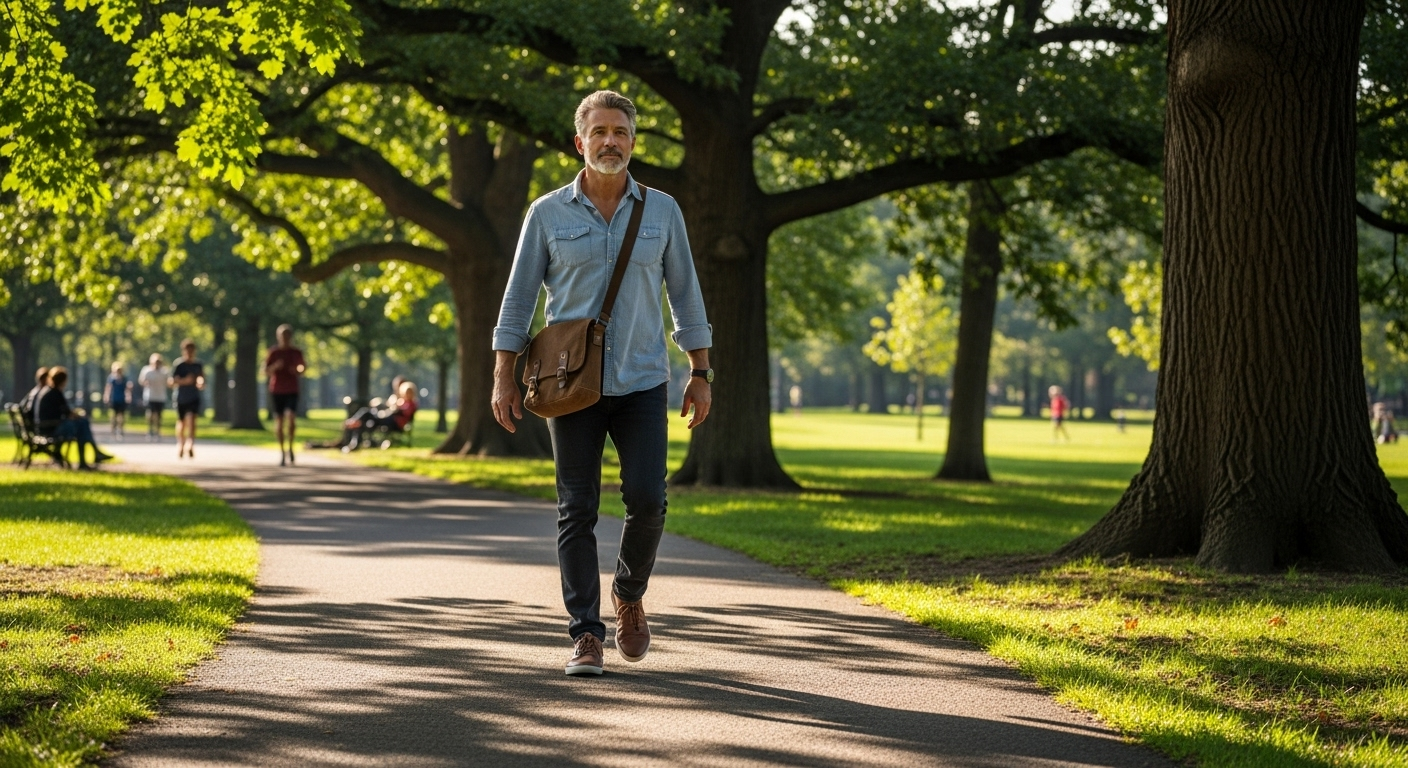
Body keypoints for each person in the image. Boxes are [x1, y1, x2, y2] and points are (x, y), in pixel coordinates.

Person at [492, 90, 713, 677]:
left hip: (642, 379)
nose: (610, 141)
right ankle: (585, 633)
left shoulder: (663, 211)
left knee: (648, 499)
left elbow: (686, 294)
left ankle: (629, 594)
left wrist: (700, 370)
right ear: (580, 142)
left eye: (620, 132)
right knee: (577, 507)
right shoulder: (547, 214)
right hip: (568, 384)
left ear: (633, 142)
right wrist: (502, 375)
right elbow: (517, 299)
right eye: (599, 132)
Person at [34, 367, 113, 469]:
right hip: (50, 428)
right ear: (63, 381)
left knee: (82, 424)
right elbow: (67, 413)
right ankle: (87, 458)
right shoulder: (55, 393)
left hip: (46, 427)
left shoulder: (49, 391)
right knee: (82, 424)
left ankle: (92, 455)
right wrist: (78, 415)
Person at [265, 324, 307, 466]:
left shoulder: (296, 352)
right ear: (278, 337)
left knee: (291, 417)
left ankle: (290, 446)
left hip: (292, 389)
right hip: (277, 390)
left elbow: (303, 368)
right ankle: (282, 452)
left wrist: (297, 370)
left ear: (291, 337)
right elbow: (265, 371)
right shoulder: (273, 352)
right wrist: (275, 367)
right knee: (279, 421)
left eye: (287, 336)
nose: (285, 339)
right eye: (283, 336)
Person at [342, 381, 419, 450]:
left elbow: (403, 412)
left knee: (367, 413)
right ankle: (355, 438)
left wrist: (397, 407)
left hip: (393, 423)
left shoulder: (411, 404)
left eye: (409, 393)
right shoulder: (402, 401)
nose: (407, 395)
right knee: (364, 421)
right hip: (388, 419)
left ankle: (353, 422)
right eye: (406, 393)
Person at [171, 340, 205, 459]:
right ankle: (181, 444)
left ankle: (190, 444)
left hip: (193, 397)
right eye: (188, 350)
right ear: (184, 351)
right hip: (181, 397)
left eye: (192, 350)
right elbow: (172, 381)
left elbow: (201, 377)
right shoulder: (179, 365)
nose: (190, 353)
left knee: (192, 421)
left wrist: (200, 383)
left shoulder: (198, 365)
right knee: (182, 422)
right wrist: (185, 381)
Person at [139, 354, 169, 442]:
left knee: (159, 415)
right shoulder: (146, 370)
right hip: (150, 396)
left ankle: (157, 431)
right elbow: (141, 381)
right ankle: (150, 430)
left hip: (160, 396)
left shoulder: (164, 372)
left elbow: (168, 382)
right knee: (150, 414)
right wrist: (145, 383)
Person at [104, 362, 132, 440]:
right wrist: (106, 396)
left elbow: (127, 389)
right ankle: (113, 430)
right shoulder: (111, 378)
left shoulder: (124, 378)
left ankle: (120, 430)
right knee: (113, 416)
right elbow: (108, 388)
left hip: (122, 399)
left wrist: (128, 396)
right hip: (114, 399)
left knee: (121, 416)